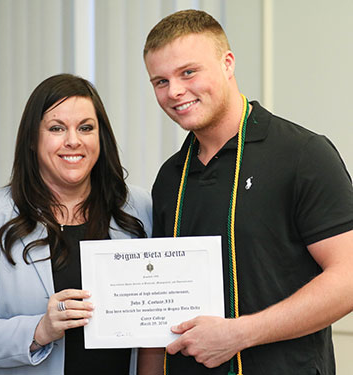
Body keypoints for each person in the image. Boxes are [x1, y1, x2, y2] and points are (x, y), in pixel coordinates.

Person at [138, 9, 353, 375]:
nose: (174, 91)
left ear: (227, 63)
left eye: (188, 72)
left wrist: (240, 334)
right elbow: (158, 305)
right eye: (160, 81)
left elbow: (347, 277)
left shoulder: (302, 155)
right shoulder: (170, 177)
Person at [0, 73, 152, 375]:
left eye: (86, 128)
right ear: (33, 139)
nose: (73, 140)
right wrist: (39, 330)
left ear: (101, 137)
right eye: (57, 128)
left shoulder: (140, 208)